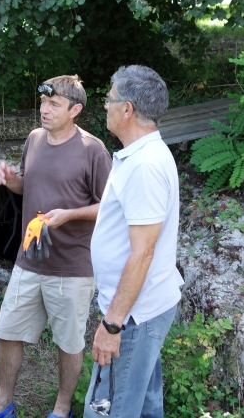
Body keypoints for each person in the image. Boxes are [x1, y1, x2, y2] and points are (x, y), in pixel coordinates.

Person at [0, 75, 112, 418]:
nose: (44, 110)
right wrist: (11, 181)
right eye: (42, 103)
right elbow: (28, 184)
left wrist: (69, 216)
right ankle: (2, 403)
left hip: (72, 267)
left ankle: (61, 409)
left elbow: (110, 207)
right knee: (8, 332)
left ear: (76, 110)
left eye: (54, 104)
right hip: (28, 260)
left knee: (68, 344)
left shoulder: (92, 150)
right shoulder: (34, 139)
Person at [84, 65, 183, 418]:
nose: (105, 106)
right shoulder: (141, 156)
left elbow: (143, 252)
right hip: (143, 309)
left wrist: (112, 325)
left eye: (109, 100)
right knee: (143, 404)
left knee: (107, 408)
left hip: (134, 316)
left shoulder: (145, 166)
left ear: (126, 109)